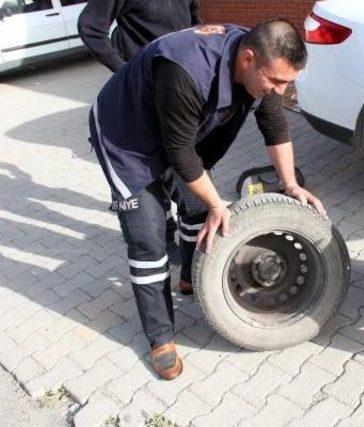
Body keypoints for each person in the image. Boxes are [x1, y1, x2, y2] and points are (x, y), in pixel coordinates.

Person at [88, 19, 324, 380]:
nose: (281, 90)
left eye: (287, 82)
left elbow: (275, 127)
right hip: (127, 139)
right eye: (276, 81)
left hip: (178, 133)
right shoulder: (185, 69)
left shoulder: (261, 67)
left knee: (198, 212)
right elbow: (180, 154)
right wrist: (219, 203)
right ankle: (160, 336)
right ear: (248, 59)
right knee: (149, 241)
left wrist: (290, 184)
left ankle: (190, 277)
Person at [78, 0, 203, 262]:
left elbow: (193, 24)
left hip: (178, 86)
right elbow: (89, 27)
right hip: (143, 89)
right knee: (154, 171)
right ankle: (164, 238)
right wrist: (124, 70)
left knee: (181, 171)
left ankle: (190, 252)